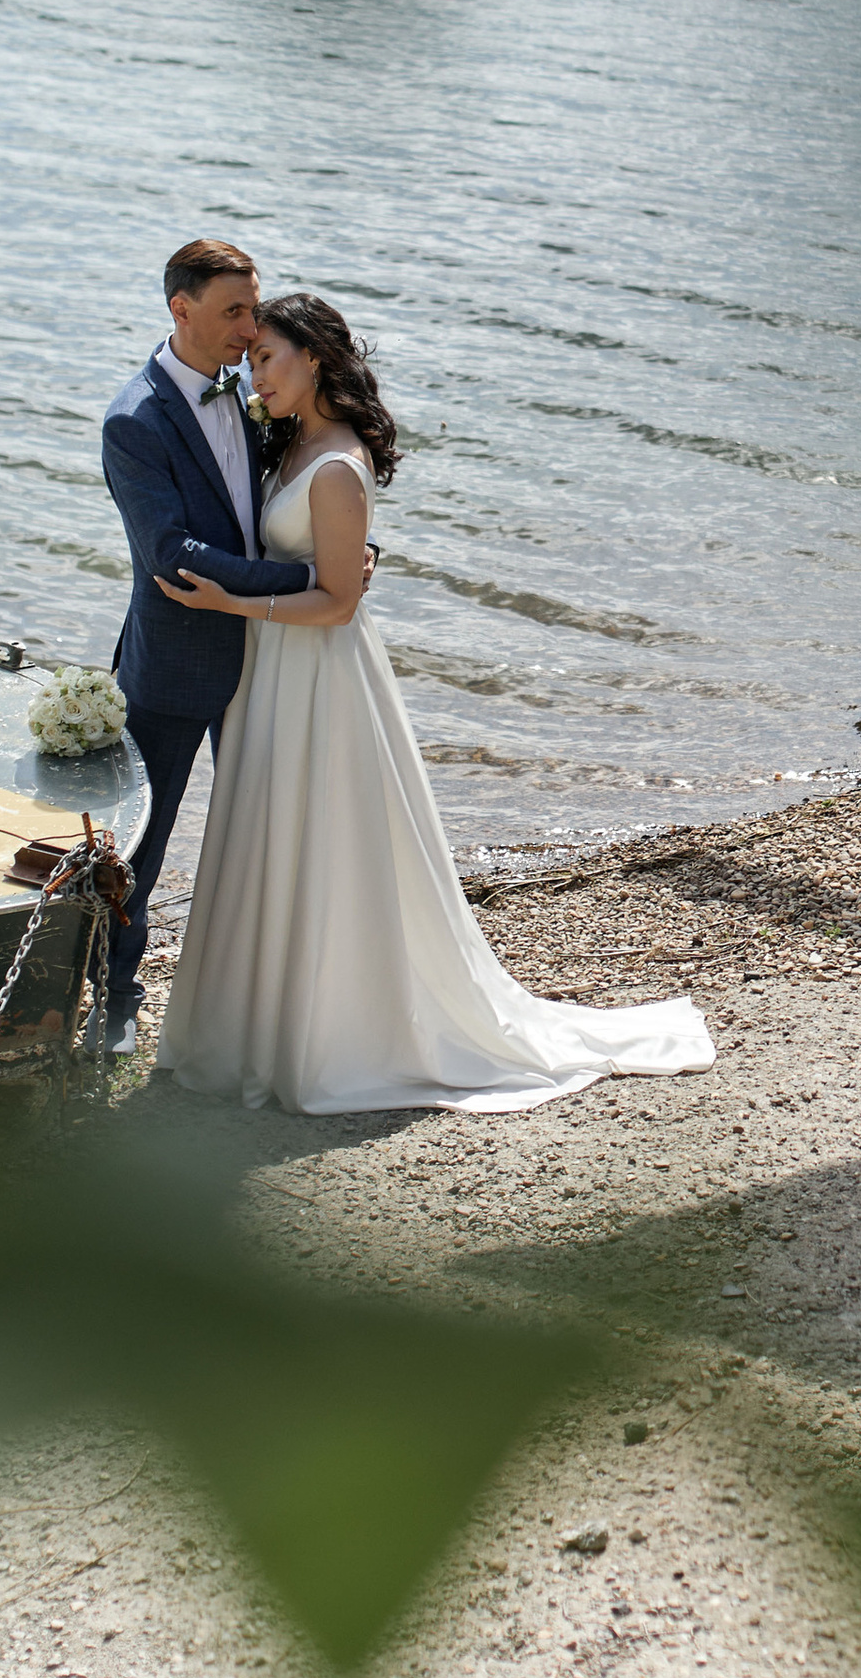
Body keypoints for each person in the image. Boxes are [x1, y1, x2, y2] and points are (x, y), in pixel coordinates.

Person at [151, 292, 713, 1112]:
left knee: (325, 842)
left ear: (313, 358)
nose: (252, 372)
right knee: (277, 837)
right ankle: (264, 1025)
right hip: (278, 672)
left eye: (267, 357)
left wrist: (231, 606)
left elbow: (340, 600)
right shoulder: (291, 443)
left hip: (320, 676)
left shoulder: (337, 465)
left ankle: (331, 1035)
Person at [98, 238, 332, 1053]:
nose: (249, 326)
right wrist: (306, 580)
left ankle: (257, 996)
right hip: (172, 666)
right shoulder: (135, 420)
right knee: (141, 846)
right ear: (181, 309)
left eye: (252, 308)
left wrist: (335, 558)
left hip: (271, 662)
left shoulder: (245, 390)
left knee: (265, 829)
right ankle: (112, 1000)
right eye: (234, 311)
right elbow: (172, 555)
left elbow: (293, 492)